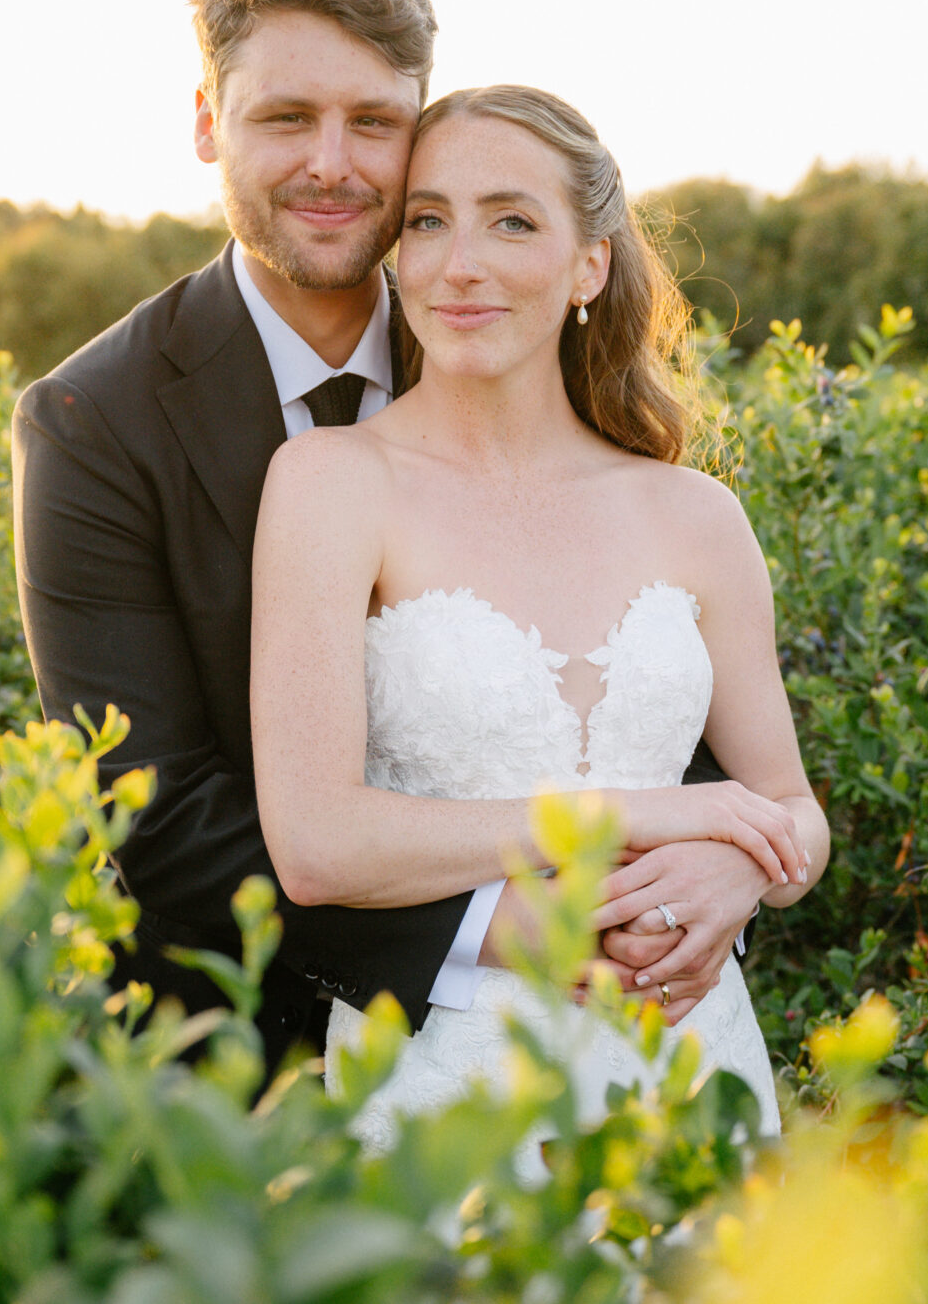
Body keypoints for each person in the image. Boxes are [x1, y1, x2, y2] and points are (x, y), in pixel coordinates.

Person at [14, 0, 778, 1070]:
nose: (332, 163)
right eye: (285, 117)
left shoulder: (495, 331)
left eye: (373, 121)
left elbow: (656, 671)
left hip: (646, 1014)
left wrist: (724, 861)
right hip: (239, 1058)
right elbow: (157, 815)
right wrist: (510, 933)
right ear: (208, 123)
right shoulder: (93, 420)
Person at [248, 83, 828, 1136]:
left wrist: (742, 870)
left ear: (589, 264)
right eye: (429, 220)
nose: (459, 262)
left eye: (511, 220)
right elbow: (317, 843)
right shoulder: (330, 483)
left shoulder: (695, 513)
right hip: (445, 1088)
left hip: (693, 1067)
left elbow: (793, 807)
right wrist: (641, 812)